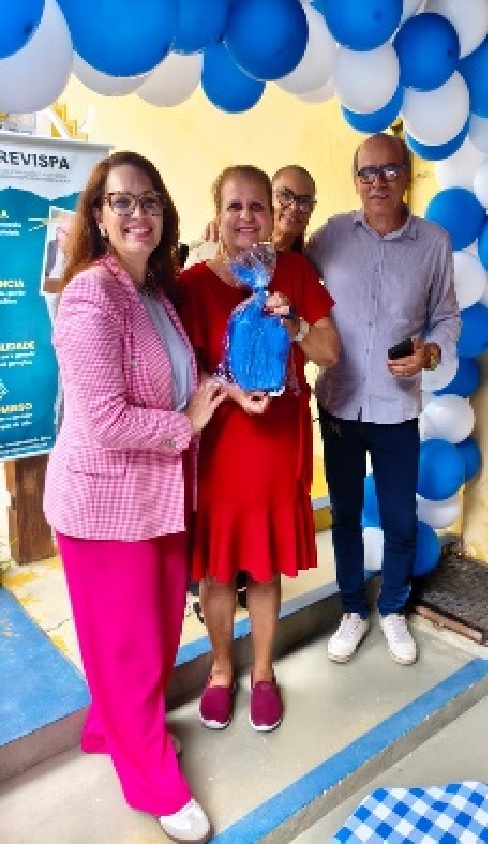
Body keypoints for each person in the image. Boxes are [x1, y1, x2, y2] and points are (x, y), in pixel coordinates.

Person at [43, 150, 227, 844]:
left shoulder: (153, 291)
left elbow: (174, 377)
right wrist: (189, 424)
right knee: (129, 646)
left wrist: (218, 388)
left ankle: (111, 728)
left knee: (151, 636)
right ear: (97, 215)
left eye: (148, 200)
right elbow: (105, 419)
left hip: (158, 497)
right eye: (121, 201)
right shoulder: (92, 294)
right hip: (103, 508)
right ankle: (150, 777)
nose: (137, 213)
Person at [177, 164, 339, 733]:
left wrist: (295, 326)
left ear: (272, 215)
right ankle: (222, 670)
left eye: (257, 206)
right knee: (218, 571)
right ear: (217, 215)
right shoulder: (193, 284)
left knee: (265, 568)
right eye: (235, 206)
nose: (246, 216)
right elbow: (181, 374)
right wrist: (230, 393)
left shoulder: (292, 272)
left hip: (276, 447)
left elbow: (330, 352)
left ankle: (264, 671)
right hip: (220, 450)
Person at [305, 133, 461, 668]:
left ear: (407, 177)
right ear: (356, 180)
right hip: (339, 406)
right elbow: (288, 270)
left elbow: (446, 315)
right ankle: (353, 608)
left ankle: (393, 607)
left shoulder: (433, 243)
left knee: (399, 517)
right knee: (346, 515)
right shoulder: (331, 236)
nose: (378, 183)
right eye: (367, 173)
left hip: (396, 410)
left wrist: (431, 352)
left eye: (390, 171)